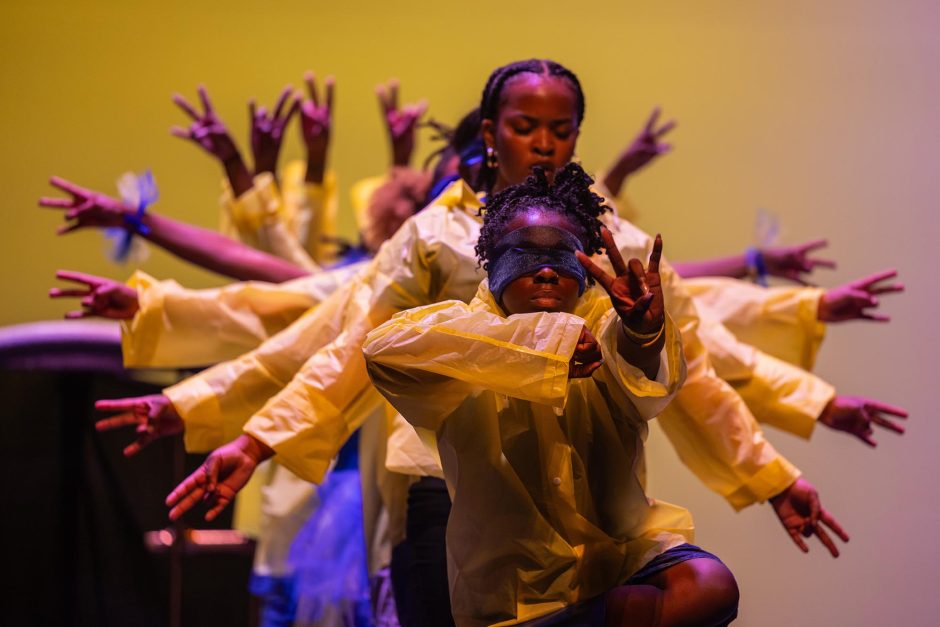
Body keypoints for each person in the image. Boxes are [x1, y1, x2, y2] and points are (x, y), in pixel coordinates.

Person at [364, 163, 738, 626]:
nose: (545, 270)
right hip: (521, 595)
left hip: (618, 557)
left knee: (709, 588)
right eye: (524, 254)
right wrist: (541, 347)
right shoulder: (463, 339)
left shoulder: (604, 328)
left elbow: (647, 387)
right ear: (492, 261)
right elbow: (384, 349)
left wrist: (643, 335)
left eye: (561, 256)